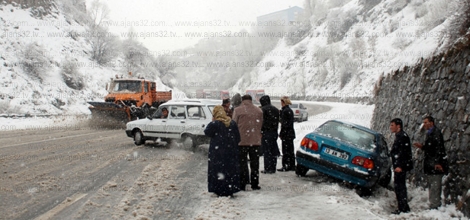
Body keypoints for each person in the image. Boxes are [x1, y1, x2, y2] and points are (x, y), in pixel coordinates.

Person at [204, 105, 241, 197]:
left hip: (217, 153)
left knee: (218, 170)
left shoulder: (214, 124)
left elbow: (207, 132)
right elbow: (238, 138)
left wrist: (213, 121)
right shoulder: (232, 123)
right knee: (230, 170)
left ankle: (218, 189)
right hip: (231, 152)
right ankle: (230, 188)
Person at [413, 116, 448, 210]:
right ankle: (433, 204)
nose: (424, 125)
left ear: (431, 123)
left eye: (426, 122)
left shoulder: (436, 133)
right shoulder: (430, 133)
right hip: (431, 164)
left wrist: (437, 162)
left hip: (435, 164)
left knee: (435, 185)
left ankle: (435, 206)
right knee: (432, 185)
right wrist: (422, 147)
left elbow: (439, 149)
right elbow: (431, 148)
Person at [232, 94, 263, 190]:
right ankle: (255, 184)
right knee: (255, 164)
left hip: (242, 142)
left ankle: (242, 184)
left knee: (242, 163)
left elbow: (233, 124)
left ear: (242, 100)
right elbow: (261, 124)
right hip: (255, 142)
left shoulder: (237, 110)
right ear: (251, 100)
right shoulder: (259, 110)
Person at [389, 118, 413, 214]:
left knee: (400, 187)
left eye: (392, 125)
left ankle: (403, 208)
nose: (390, 127)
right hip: (398, 166)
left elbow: (403, 153)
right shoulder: (400, 136)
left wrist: (401, 166)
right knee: (399, 186)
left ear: (398, 126)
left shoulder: (402, 137)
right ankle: (403, 207)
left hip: (400, 167)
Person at [259, 95, 280, 174]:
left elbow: (261, 122)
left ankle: (267, 168)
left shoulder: (263, 110)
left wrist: (261, 131)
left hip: (266, 132)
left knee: (267, 151)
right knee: (273, 150)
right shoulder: (275, 109)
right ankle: (273, 167)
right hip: (274, 132)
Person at [278, 96, 296, 172]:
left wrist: (281, 133)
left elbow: (284, 124)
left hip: (286, 134)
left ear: (284, 102)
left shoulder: (285, 111)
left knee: (285, 150)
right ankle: (292, 165)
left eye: (281, 102)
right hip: (290, 133)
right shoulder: (290, 111)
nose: (281, 103)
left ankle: (285, 165)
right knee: (290, 150)